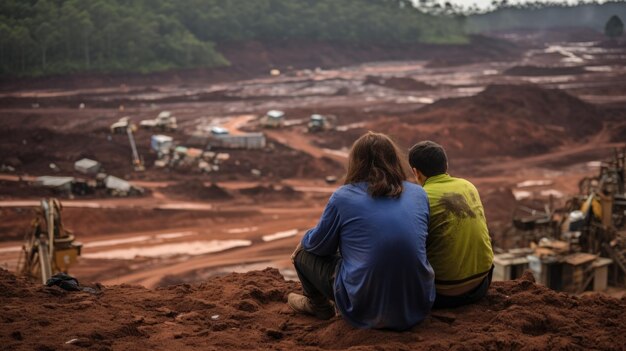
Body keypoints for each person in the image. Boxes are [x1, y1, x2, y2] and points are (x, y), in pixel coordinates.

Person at [288, 132, 435, 331]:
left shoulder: (343, 197)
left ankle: (318, 307)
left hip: (363, 309)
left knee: (302, 253)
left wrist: (307, 236)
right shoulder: (418, 193)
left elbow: (317, 247)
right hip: (419, 304)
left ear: (356, 162)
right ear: (394, 160)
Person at [408, 140, 494, 309]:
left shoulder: (419, 197)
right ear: (446, 165)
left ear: (416, 172)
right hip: (483, 282)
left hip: (444, 294)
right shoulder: (468, 185)